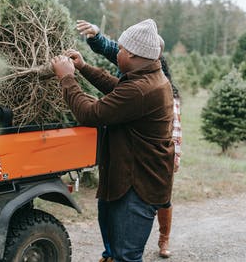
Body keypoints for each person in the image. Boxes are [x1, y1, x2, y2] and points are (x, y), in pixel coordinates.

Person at [51, 19, 175, 262]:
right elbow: (118, 88)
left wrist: (67, 78)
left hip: (138, 186)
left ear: (132, 55)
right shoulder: (147, 78)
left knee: (126, 256)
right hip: (126, 178)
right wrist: (84, 67)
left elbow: (91, 114)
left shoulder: (142, 89)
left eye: (119, 49)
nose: (116, 52)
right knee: (115, 252)